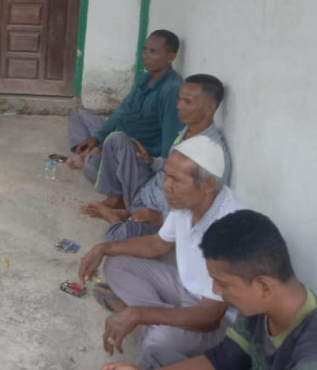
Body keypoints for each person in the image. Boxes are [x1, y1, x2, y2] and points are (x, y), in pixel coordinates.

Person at [78, 135, 242, 370]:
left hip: (215, 321)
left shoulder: (230, 227)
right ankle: (152, 321)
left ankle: (143, 324)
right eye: (166, 176)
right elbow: (158, 244)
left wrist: (139, 314)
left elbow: (210, 317)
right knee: (116, 263)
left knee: (157, 344)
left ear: (207, 185)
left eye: (175, 180)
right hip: (182, 289)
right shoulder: (187, 202)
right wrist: (103, 248)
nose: (166, 186)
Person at [101, 210, 317, 370]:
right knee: (155, 356)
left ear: (263, 286)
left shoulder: (310, 353)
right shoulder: (260, 308)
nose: (215, 290)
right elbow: (222, 360)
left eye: (223, 284)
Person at [92, 74, 232, 242]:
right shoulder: (186, 130)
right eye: (179, 99)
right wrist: (152, 161)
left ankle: (114, 216)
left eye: (187, 102)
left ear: (209, 108)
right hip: (146, 189)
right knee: (117, 140)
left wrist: (161, 217)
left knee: (119, 236)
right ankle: (119, 203)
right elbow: (177, 168)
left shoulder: (213, 154)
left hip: (161, 213)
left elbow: (207, 208)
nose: (178, 106)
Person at [69, 30, 184, 184]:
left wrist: (158, 168)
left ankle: (89, 157)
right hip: (118, 134)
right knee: (77, 114)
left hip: (134, 151)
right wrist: (97, 138)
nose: (145, 55)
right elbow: (122, 111)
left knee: (92, 169)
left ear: (171, 57)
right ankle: (86, 152)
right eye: (144, 50)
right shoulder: (146, 78)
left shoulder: (171, 90)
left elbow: (170, 138)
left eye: (153, 52)